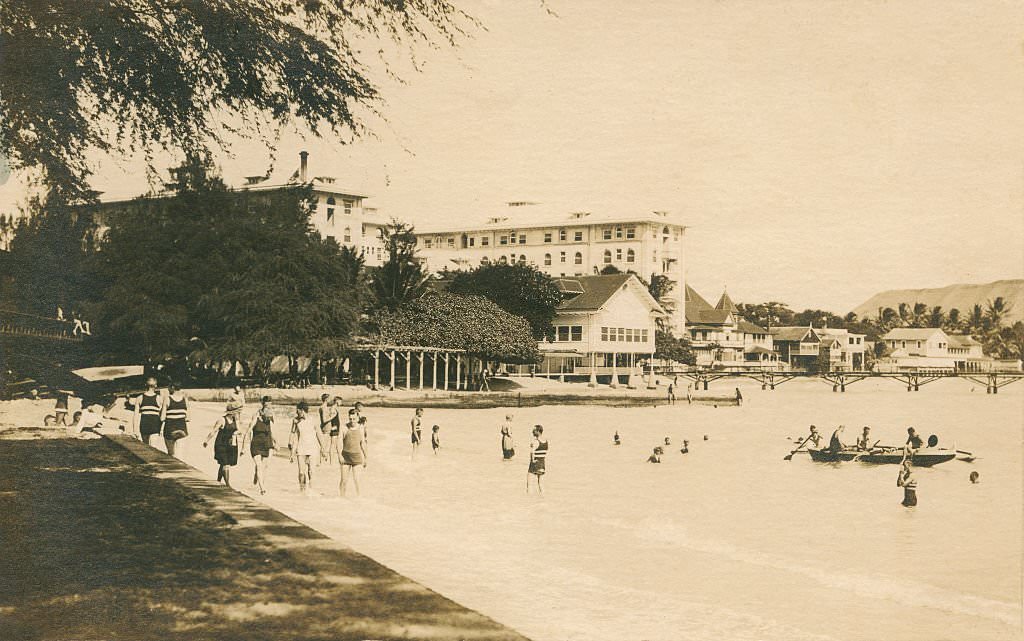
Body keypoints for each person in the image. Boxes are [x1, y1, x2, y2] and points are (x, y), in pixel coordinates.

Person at [203, 401, 243, 487]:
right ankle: (228, 485)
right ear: (233, 412)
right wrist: (206, 441)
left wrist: (236, 433)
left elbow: (240, 430)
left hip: (232, 445)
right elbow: (213, 431)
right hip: (221, 444)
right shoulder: (222, 420)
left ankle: (218, 481)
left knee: (223, 464)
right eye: (238, 412)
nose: (239, 414)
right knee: (226, 464)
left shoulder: (236, 420)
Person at [242, 396, 275, 495]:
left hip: (267, 443)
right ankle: (262, 488)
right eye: (267, 405)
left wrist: (275, 443)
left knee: (264, 467)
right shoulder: (256, 416)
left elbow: (272, 431)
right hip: (256, 444)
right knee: (259, 465)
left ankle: (260, 480)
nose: (269, 408)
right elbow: (248, 431)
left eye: (270, 405)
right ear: (263, 405)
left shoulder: (271, 416)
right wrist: (243, 447)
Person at [289, 402, 323, 495]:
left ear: (302, 410)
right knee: (301, 472)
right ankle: (302, 491)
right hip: (301, 448)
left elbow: (319, 435)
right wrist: (292, 453)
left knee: (311, 471)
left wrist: (323, 449)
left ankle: (311, 491)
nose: (296, 412)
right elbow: (295, 437)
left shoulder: (314, 420)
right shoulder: (296, 421)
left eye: (298, 410)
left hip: (312, 448)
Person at [339, 415, 367, 497]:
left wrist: (366, 457)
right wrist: (340, 456)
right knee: (344, 480)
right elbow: (339, 442)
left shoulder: (361, 428)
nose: (352, 421)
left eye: (354, 419)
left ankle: (359, 498)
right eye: (350, 419)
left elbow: (363, 443)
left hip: (357, 457)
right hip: (345, 457)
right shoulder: (344, 428)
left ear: (357, 419)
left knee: (357, 480)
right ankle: (341, 498)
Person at [133, 377, 163, 445]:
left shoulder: (139, 398)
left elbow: (135, 416)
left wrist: (135, 430)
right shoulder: (159, 398)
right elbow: (162, 416)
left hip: (144, 425)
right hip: (155, 425)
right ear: (156, 386)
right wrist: (162, 429)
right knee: (153, 448)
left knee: (146, 447)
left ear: (145, 385)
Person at [161, 384, 189, 458]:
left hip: (170, 429)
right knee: (180, 455)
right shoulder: (184, 399)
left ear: (172, 388)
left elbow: (162, 418)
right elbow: (188, 418)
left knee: (171, 454)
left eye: (168, 388)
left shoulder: (167, 399)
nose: (168, 390)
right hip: (182, 429)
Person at [527, 425, 548, 493]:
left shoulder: (535, 441)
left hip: (535, 463)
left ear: (538, 431)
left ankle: (528, 500)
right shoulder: (545, 441)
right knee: (541, 484)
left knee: (529, 484)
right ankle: (543, 499)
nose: (532, 432)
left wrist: (532, 461)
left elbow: (532, 452)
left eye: (534, 430)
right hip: (542, 463)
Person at [318, 394, 338, 464]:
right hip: (325, 427)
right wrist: (333, 416)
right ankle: (320, 461)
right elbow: (324, 420)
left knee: (324, 444)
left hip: (326, 427)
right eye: (329, 399)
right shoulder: (323, 407)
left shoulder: (324, 407)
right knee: (324, 445)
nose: (331, 400)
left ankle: (321, 460)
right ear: (326, 399)